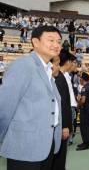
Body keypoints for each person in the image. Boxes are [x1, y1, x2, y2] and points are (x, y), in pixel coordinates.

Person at [0, 25, 62, 170]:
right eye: (51, 40)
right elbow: (4, 107)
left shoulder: (48, 71)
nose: (56, 45)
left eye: (59, 41)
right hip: (24, 146)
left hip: (47, 145)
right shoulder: (23, 65)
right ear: (35, 42)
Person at [52, 50, 74, 170]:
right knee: (59, 156)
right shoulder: (59, 78)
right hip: (60, 124)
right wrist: (65, 126)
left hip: (62, 123)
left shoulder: (61, 76)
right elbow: (61, 104)